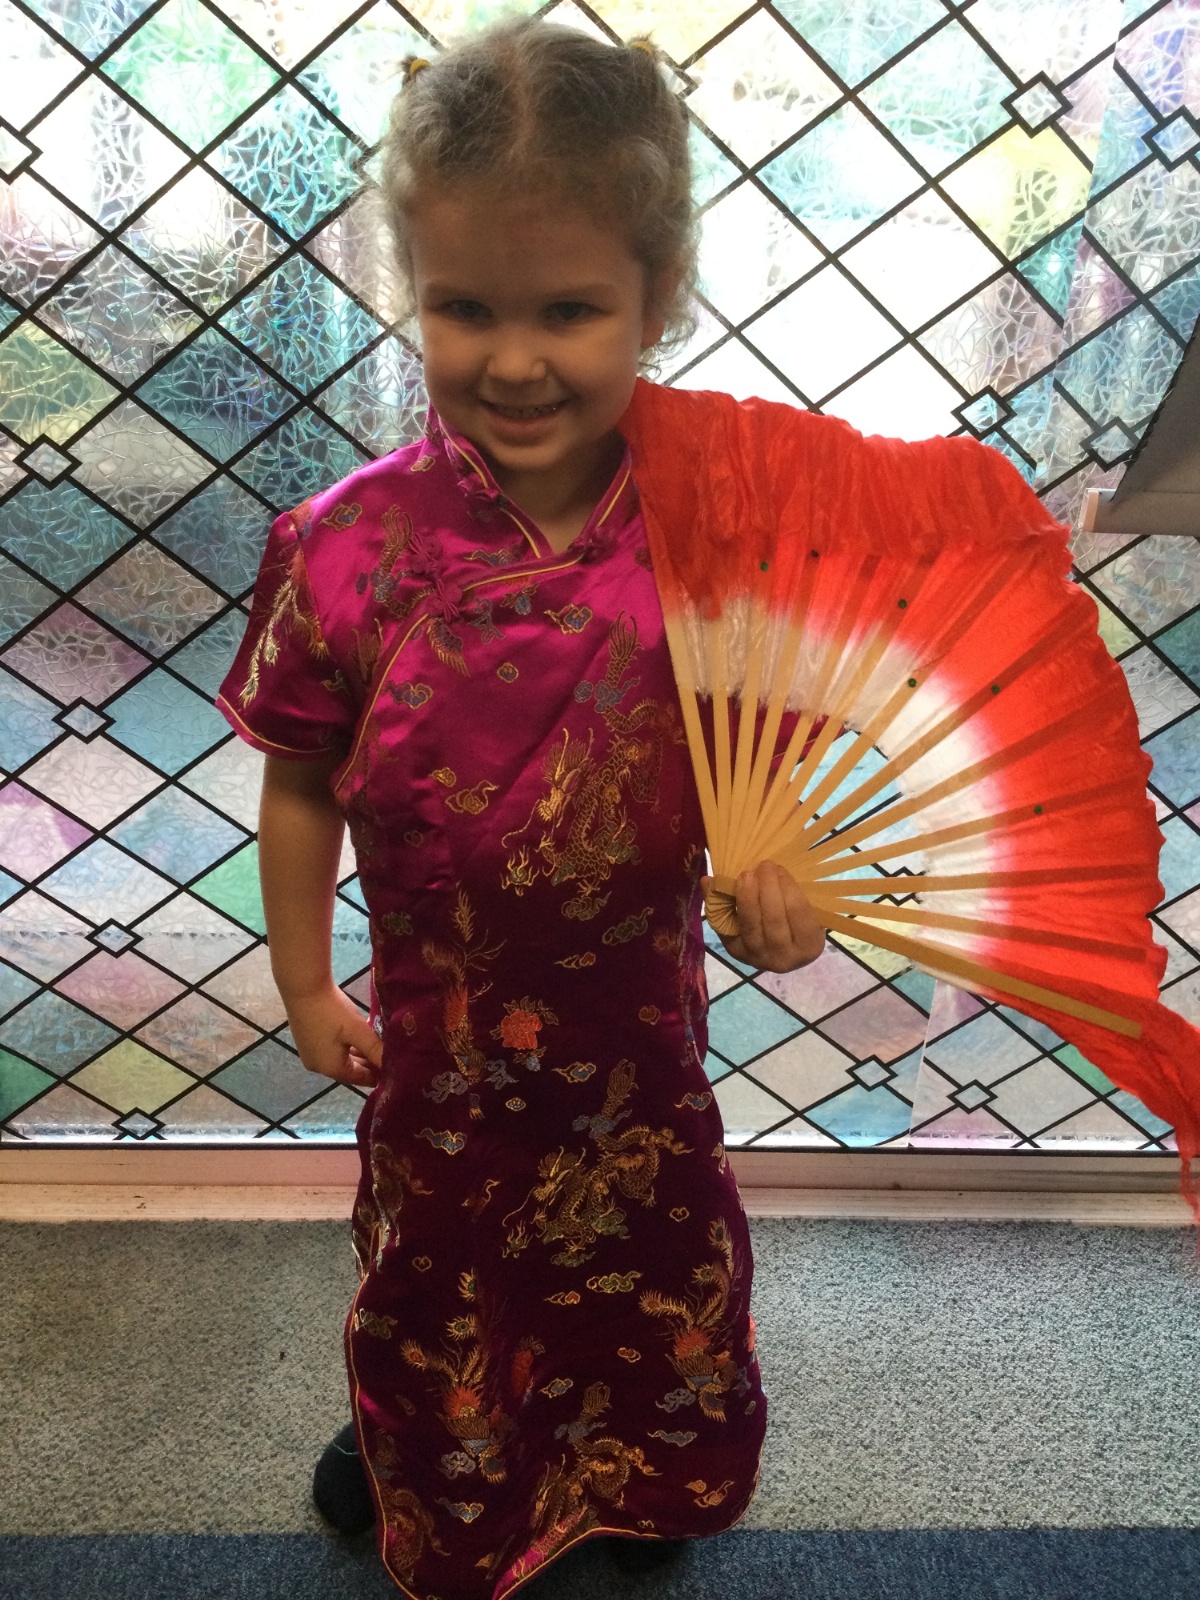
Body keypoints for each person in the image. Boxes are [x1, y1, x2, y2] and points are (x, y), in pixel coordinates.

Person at [216, 19, 824, 1599]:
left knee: (645, 1255)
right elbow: (299, 778)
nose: (514, 359)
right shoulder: (343, 548)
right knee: (442, 1259)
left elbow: (769, 786)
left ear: (659, 296)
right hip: (442, 1042)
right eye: (465, 306)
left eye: (570, 310)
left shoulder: (721, 541)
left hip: (641, 1038)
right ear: (411, 284)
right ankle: (422, 1450)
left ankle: (638, 1473)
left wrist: (788, 904)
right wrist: (302, 981)